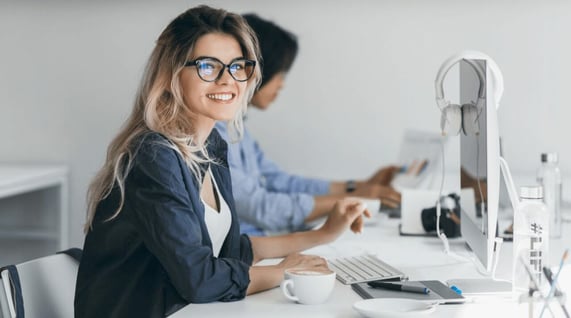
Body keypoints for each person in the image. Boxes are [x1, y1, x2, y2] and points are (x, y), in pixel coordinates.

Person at [74, 6, 369, 318]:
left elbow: (229, 251)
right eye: (207, 66)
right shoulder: (154, 155)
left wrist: (323, 234)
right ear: (172, 73)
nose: (228, 80)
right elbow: (199, 280)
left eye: (237, 66)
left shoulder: (211, 145)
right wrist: (284, 272)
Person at [215, 14, 401, 236]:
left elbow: (280, 182)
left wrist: (356, 188)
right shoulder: (213, 133)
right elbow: (261, 207)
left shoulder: (238, 130)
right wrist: (352, 199)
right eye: (280, 72)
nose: (282, 84)